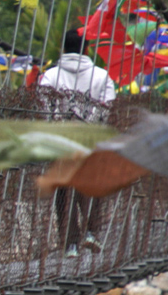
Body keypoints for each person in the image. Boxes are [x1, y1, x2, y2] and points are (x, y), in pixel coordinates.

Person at [37, 29, 114, 250]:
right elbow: (107, 108)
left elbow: (44, 108)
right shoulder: (102, 76)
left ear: (63, 48)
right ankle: (91, 232)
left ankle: (70, 243)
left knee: (64, 188)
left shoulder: (50, 76)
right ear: (87, 49)